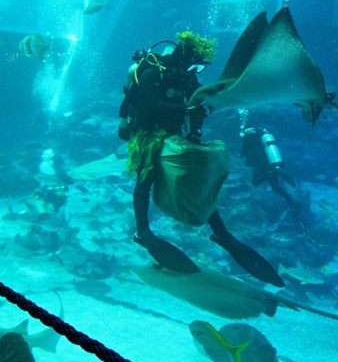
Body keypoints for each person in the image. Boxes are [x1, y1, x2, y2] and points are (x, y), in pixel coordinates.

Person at [118, 31, 285, 287]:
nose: (195, 71)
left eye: (200, 67)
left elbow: (200, 101)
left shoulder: (186, 75)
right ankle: (143, 231)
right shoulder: (152, 72)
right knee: (146, 176)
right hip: (148, 134)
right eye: (194, 64)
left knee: (195, 178)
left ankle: (221, 233)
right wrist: (188, 110)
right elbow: (155, 106)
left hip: (174, 135)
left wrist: (196, 129)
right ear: (183, 57)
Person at [240, 121, 309, 234]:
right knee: (276, 187)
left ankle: (275, 176)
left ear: (245, 132)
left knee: (257, 183)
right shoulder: (262, 137)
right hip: (272, 163)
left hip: (261, 166)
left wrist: (243, 143)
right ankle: (292, 201)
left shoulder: (247, 139)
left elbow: (243, 155)